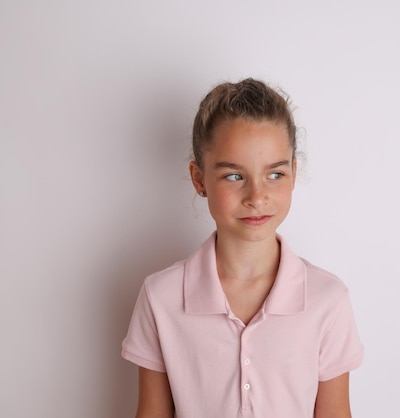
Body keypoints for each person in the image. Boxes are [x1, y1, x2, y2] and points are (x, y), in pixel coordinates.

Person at [121, 78, 364, 418]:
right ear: (199, 179)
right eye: (234, 176)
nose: (256, 196)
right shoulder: (160, 297)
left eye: (275, 175)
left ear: (294, 173)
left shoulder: (328, 299)